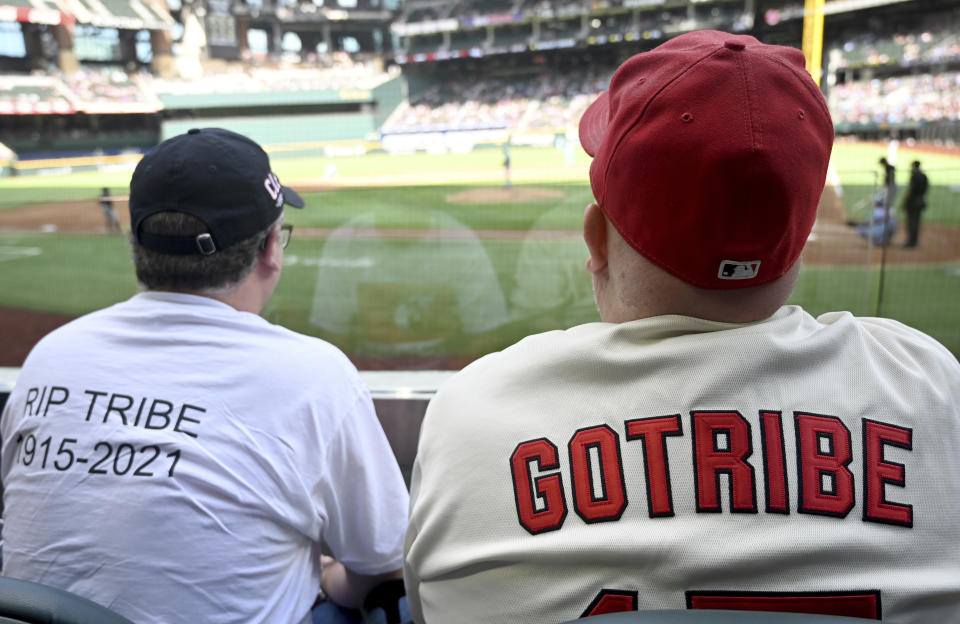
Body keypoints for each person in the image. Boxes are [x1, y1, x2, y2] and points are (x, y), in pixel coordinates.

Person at [403, 31, 960, 624]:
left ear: (594, 239)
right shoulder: (928, 384)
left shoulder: (477, 408)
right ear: (797, 244)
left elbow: (424, 603)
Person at [1, 128, 409, 624]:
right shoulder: (313, 375)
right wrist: (323, 577)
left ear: (137, 245)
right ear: (269, 252)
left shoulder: (51, 355)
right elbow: (385, 563)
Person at [901, 160, 929, 248]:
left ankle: (911, 242)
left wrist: (904, 202)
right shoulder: (924, 176)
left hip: (913, 202)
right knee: (916, 222)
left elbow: (910, 190)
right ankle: (914, 241)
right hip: (920, 201)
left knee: (911, 222)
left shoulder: (914, 175)